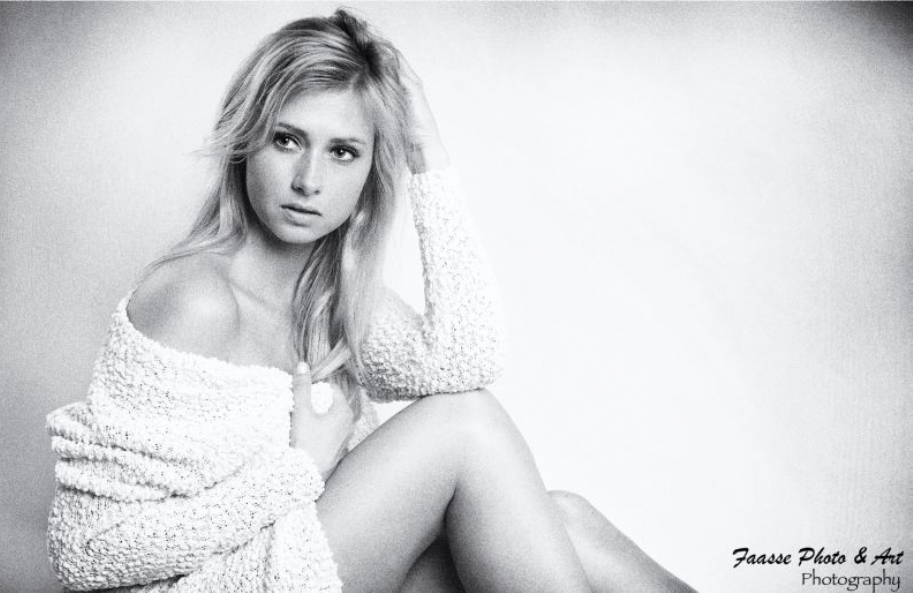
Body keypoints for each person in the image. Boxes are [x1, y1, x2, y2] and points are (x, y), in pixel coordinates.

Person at [45, 9, 695, 593]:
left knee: (564, 520)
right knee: (462, 427)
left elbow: (466, 361)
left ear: (368, 173)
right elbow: (87, 553)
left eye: (343, 152)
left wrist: (425, 151)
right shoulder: (197, 299)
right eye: (287, 139)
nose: (309, 180)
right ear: (245, 139)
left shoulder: (330, 297)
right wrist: (298, 469)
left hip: (306, 566)